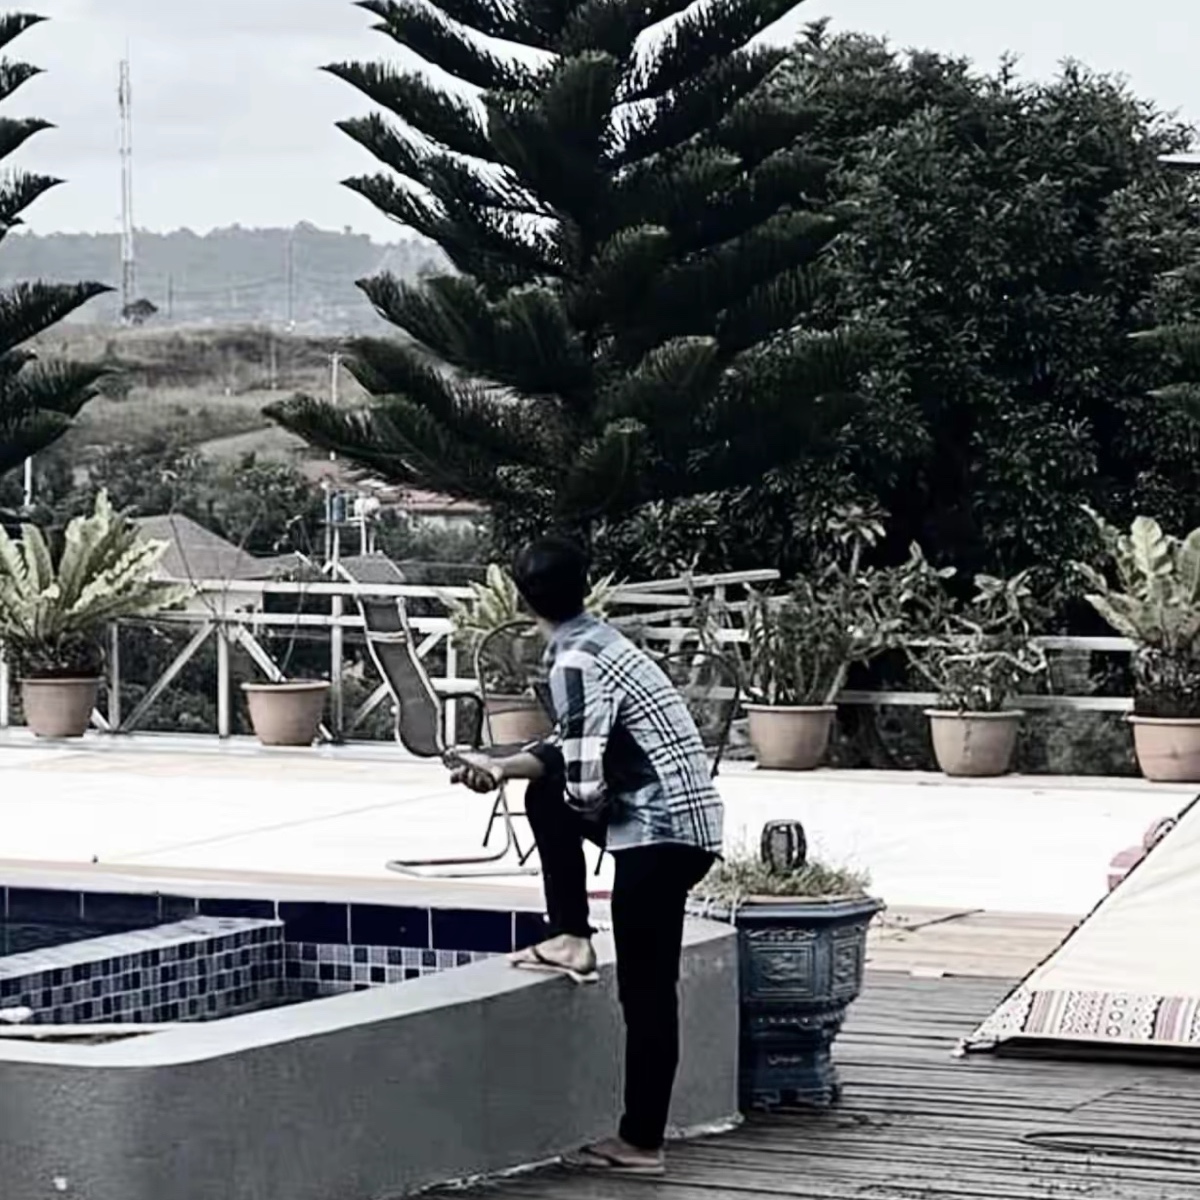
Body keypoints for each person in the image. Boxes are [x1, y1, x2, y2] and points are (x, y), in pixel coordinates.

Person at [450, 536, 724, 1177]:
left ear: (522, 601)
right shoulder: (602, 643)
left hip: (660, 835)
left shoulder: (573, 661)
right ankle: (570, 935)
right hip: (687, 827)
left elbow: (581, 784)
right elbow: (565, 743)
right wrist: (499, 767)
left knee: (647, 994)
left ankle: (641, 1142)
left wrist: (553, 792)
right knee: (542, 792)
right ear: (585, 589)